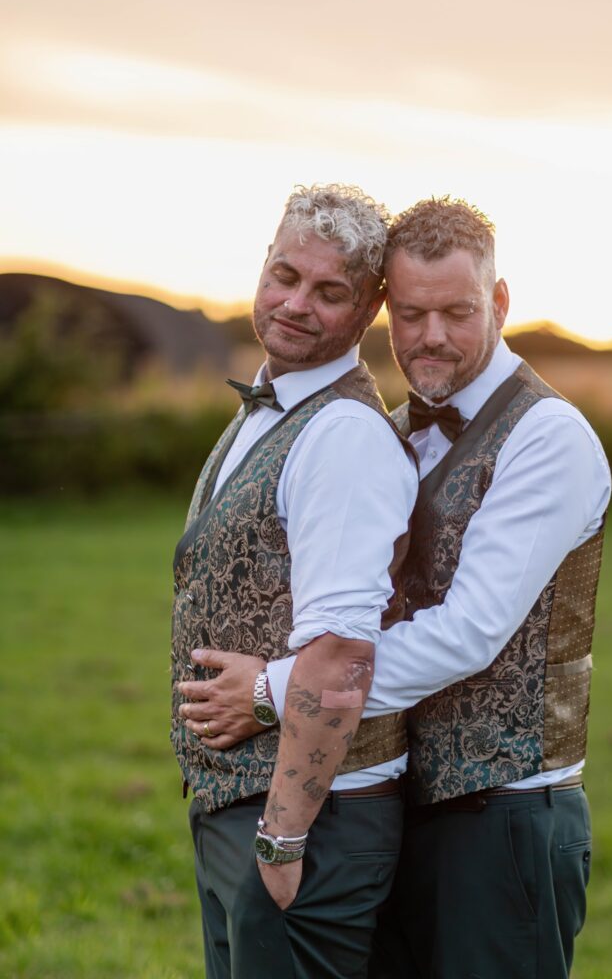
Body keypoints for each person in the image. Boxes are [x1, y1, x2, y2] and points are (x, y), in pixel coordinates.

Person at [184, 196, 611, 979]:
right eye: (412, 315)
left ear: (501, 302)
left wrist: (283, 688)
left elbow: (471, 630)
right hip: (411, 804)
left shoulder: (549, 438)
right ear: (388, 312)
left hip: (507, 812)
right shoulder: (404, 425)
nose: (433, 336)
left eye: (458, 311)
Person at [170, 183, 418, 979]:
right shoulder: (268, 405)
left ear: (370, 307)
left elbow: (344, 654)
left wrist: (279, 843)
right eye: (285, 275)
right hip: (242, 810)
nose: (296, 304)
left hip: (305, 823)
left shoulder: (342, 434)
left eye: (330, 291)